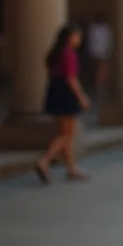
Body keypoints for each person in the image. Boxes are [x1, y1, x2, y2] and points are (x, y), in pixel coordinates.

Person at [35, 25, 91, 183]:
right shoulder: (69, 54)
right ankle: (45, 161)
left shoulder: (55, 54)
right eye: (76, 36)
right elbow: (71, 78)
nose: (79, 40)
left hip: (54, 91)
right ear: (69, 38)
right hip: (66, 94)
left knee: (64, 133)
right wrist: (82, 97)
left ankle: (71, 168)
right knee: (66, 135)